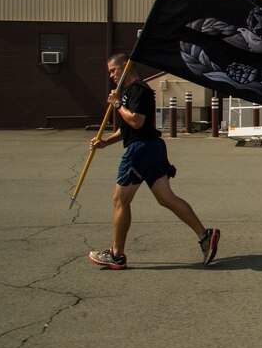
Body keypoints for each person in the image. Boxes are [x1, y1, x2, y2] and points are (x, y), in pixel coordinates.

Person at [87, 53, 220, 269]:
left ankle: (117, 255)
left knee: (120, 201)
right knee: (166, 198)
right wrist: (105, 142)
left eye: (114, 69)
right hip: (152, 148)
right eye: (110, 71)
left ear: (126, 66)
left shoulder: (138, 89)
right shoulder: (130, 92)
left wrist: (118, 103)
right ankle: (205, 235)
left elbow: (137, 122)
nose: (111, 74)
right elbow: (126, 128)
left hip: (142, 149)